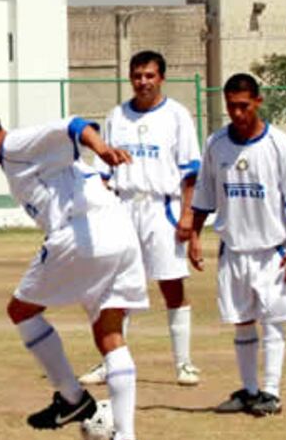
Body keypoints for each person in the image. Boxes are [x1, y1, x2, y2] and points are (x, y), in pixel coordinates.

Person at [0, 103, 149, 440]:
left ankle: (73, 398)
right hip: (120, 232)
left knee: (21, 310)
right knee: (110, 334)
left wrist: (101, 149)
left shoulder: (16, 145)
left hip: (83, 232)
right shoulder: (17, 161)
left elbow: (73, 125)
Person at [79, 51, 202, 387]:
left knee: (171, 284)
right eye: (137, 76)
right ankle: (111, 361)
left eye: (149, 75)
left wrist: (188, 216)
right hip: (123, 207)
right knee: (115, 287)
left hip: (162, 207)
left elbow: (190, 171)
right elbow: (102, 174)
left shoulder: (177, 116)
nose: (143, 82)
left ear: (161, 77)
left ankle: (184, 363)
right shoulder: (116, 116)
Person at [189, 73, 286, 417]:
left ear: (258, 102)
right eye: (231, 107)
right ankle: (249, 390)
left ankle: (271, 391)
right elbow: (205, 195)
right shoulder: (216, 144)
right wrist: (194, 237)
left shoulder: (279, 145)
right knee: (241, 320)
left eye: (243, 106)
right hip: (233, 249)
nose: (237, 113)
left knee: (272, 320)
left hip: (273, 250)